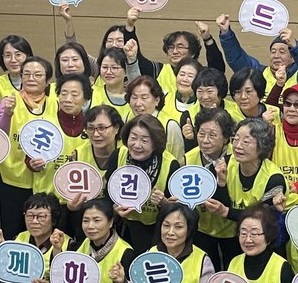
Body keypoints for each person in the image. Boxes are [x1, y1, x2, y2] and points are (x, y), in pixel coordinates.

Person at [200, 118, 286, 268]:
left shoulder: (274, 179)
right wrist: (221, 183)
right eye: (236, 139)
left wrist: (226, 212)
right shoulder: (224, 163)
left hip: (261, 239)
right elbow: (219, 205)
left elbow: (260, 220)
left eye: (246, 142)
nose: (238, 146)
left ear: (262, 146)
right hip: (231, 233)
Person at [0, 55, 56, 238]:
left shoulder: (55, 102)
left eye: (37, 75)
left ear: (47, 80)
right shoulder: (9, 100)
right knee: (14, 228)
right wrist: (7, 114)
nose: (31, 78)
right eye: (26, 74)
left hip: (45, 178)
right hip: (14, 176)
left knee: (42, 230)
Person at [115, 114, 181, 253]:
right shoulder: (118, 155)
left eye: (144, 140)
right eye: (133, 138)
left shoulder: (171, 164)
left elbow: (176, 210)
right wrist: (115, 207)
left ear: (156, 143)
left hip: (156, 230)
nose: (137, 145)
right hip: (124, 226)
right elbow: (109, 195)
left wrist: (163, 203)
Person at [29, 73, 89, 225]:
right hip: (48, 201)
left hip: (81, 200)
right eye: (63, 93)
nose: (68, 99)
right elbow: (29, 160)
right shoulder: (44, 124)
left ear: (86, 99)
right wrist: (33, 164)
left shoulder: (92, 127)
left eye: (74, 94)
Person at [183, 106, 233, 269]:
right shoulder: (188, 159)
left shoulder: (237, 157)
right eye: (201, 134)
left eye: (212, 135)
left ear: (226, 138)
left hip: (233, 228)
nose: (205, 140)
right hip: (202, 228)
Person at [217, 14, 298, 91]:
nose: (276, 56)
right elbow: (237, 58)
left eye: (282, 52)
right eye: (273, 52)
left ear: (293, 57)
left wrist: (295, 45)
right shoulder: (259, 73)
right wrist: (226, 33)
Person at [126, 75, 184, 162]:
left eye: (144, 98)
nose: (138, 103)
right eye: (134, 97)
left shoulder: (170, 126)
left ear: (157, 100)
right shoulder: (127, 117)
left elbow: (178, 159)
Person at [0, 34, 32, 101]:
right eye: (8, 55)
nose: (13, 60)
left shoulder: (37, 81)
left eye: (18, 55)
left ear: (28, 56)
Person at [92, 47, 131, 118]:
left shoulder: (133, 98)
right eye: (105, 67)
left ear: (126, 71)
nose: (108, 72)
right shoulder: (91, 93)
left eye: (114, 68)